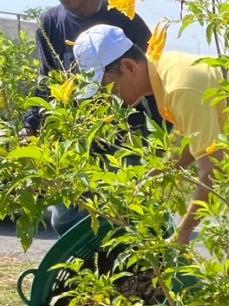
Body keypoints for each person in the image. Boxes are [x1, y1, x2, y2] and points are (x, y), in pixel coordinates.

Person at [71, 24, 229, 306]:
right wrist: (156, 176)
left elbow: (213, 170)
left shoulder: (179, 85)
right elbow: (192, 136)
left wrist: (182, 235)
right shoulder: (164, 71)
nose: (111, 98)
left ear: (128, 66)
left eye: (108, 87)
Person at [23, 0, 157, 234]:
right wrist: (33, 126)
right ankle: (85, 268)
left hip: (126, 137)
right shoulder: (50, 23)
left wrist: (163, 138)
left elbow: (151, 72)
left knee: (127, 212)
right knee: (65, 219)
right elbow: (46, 80)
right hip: (77, 137)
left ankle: (140, 267)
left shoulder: (123, 15)